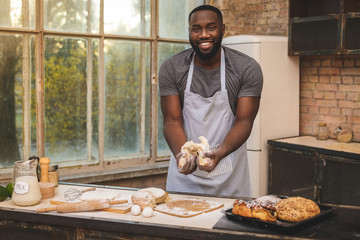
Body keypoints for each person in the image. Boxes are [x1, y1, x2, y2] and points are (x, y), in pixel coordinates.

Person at [158, 5, 263, 197]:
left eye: (211, 27)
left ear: (222, 30)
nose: (204, 35)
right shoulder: (172, 68)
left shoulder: (246, 68)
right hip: (184, 178)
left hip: (228, 176)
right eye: (196, 29)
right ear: (189, 32)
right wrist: (183, 155)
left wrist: (218, 153)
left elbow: (244, 122)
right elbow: (171, 121)